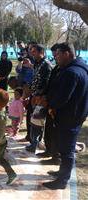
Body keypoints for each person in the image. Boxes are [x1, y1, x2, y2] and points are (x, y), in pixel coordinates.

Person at [43, 42, 88, 189]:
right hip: (77, 114)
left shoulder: (71, 72)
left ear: (67, 53)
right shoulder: (83, 68)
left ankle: (62, 181)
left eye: (57, 55)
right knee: (65, 148)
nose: (55, 58)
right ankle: (62, 172)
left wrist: (50, 106)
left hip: (69, 116)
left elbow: (62, 98)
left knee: (67, 150)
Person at [36, 43, 61, 165]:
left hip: (57, 106)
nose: (55, 57)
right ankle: (49, 151)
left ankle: (55, 157)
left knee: (56, 133)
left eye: (57, 55)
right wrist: (43, 96)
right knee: (48, 129)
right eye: (54, 55)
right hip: (49, 102)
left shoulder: (65, 70)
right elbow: (49, 85)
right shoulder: (57, 68)